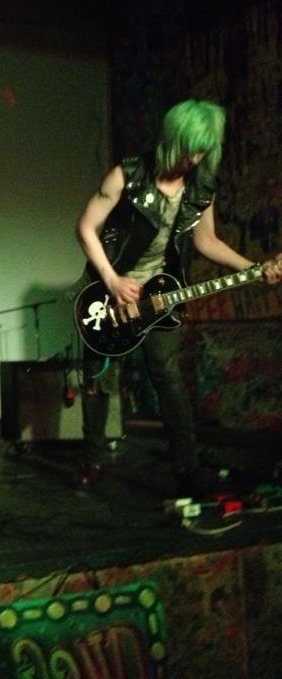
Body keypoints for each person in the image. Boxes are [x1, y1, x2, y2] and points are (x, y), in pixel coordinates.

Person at [76, 99, 282, 497]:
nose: (195, 158)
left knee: (168, 375)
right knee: (99, 377)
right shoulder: (128, 174)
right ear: (172, 139)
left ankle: (188, 470)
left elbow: (207, 241)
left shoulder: (200, 186)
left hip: (160, 294)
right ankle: (92, 460)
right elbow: (86, 227)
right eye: (190, 149)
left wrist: (254, 268)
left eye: (203, 151)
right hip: (109, 291)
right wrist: (112, 280)